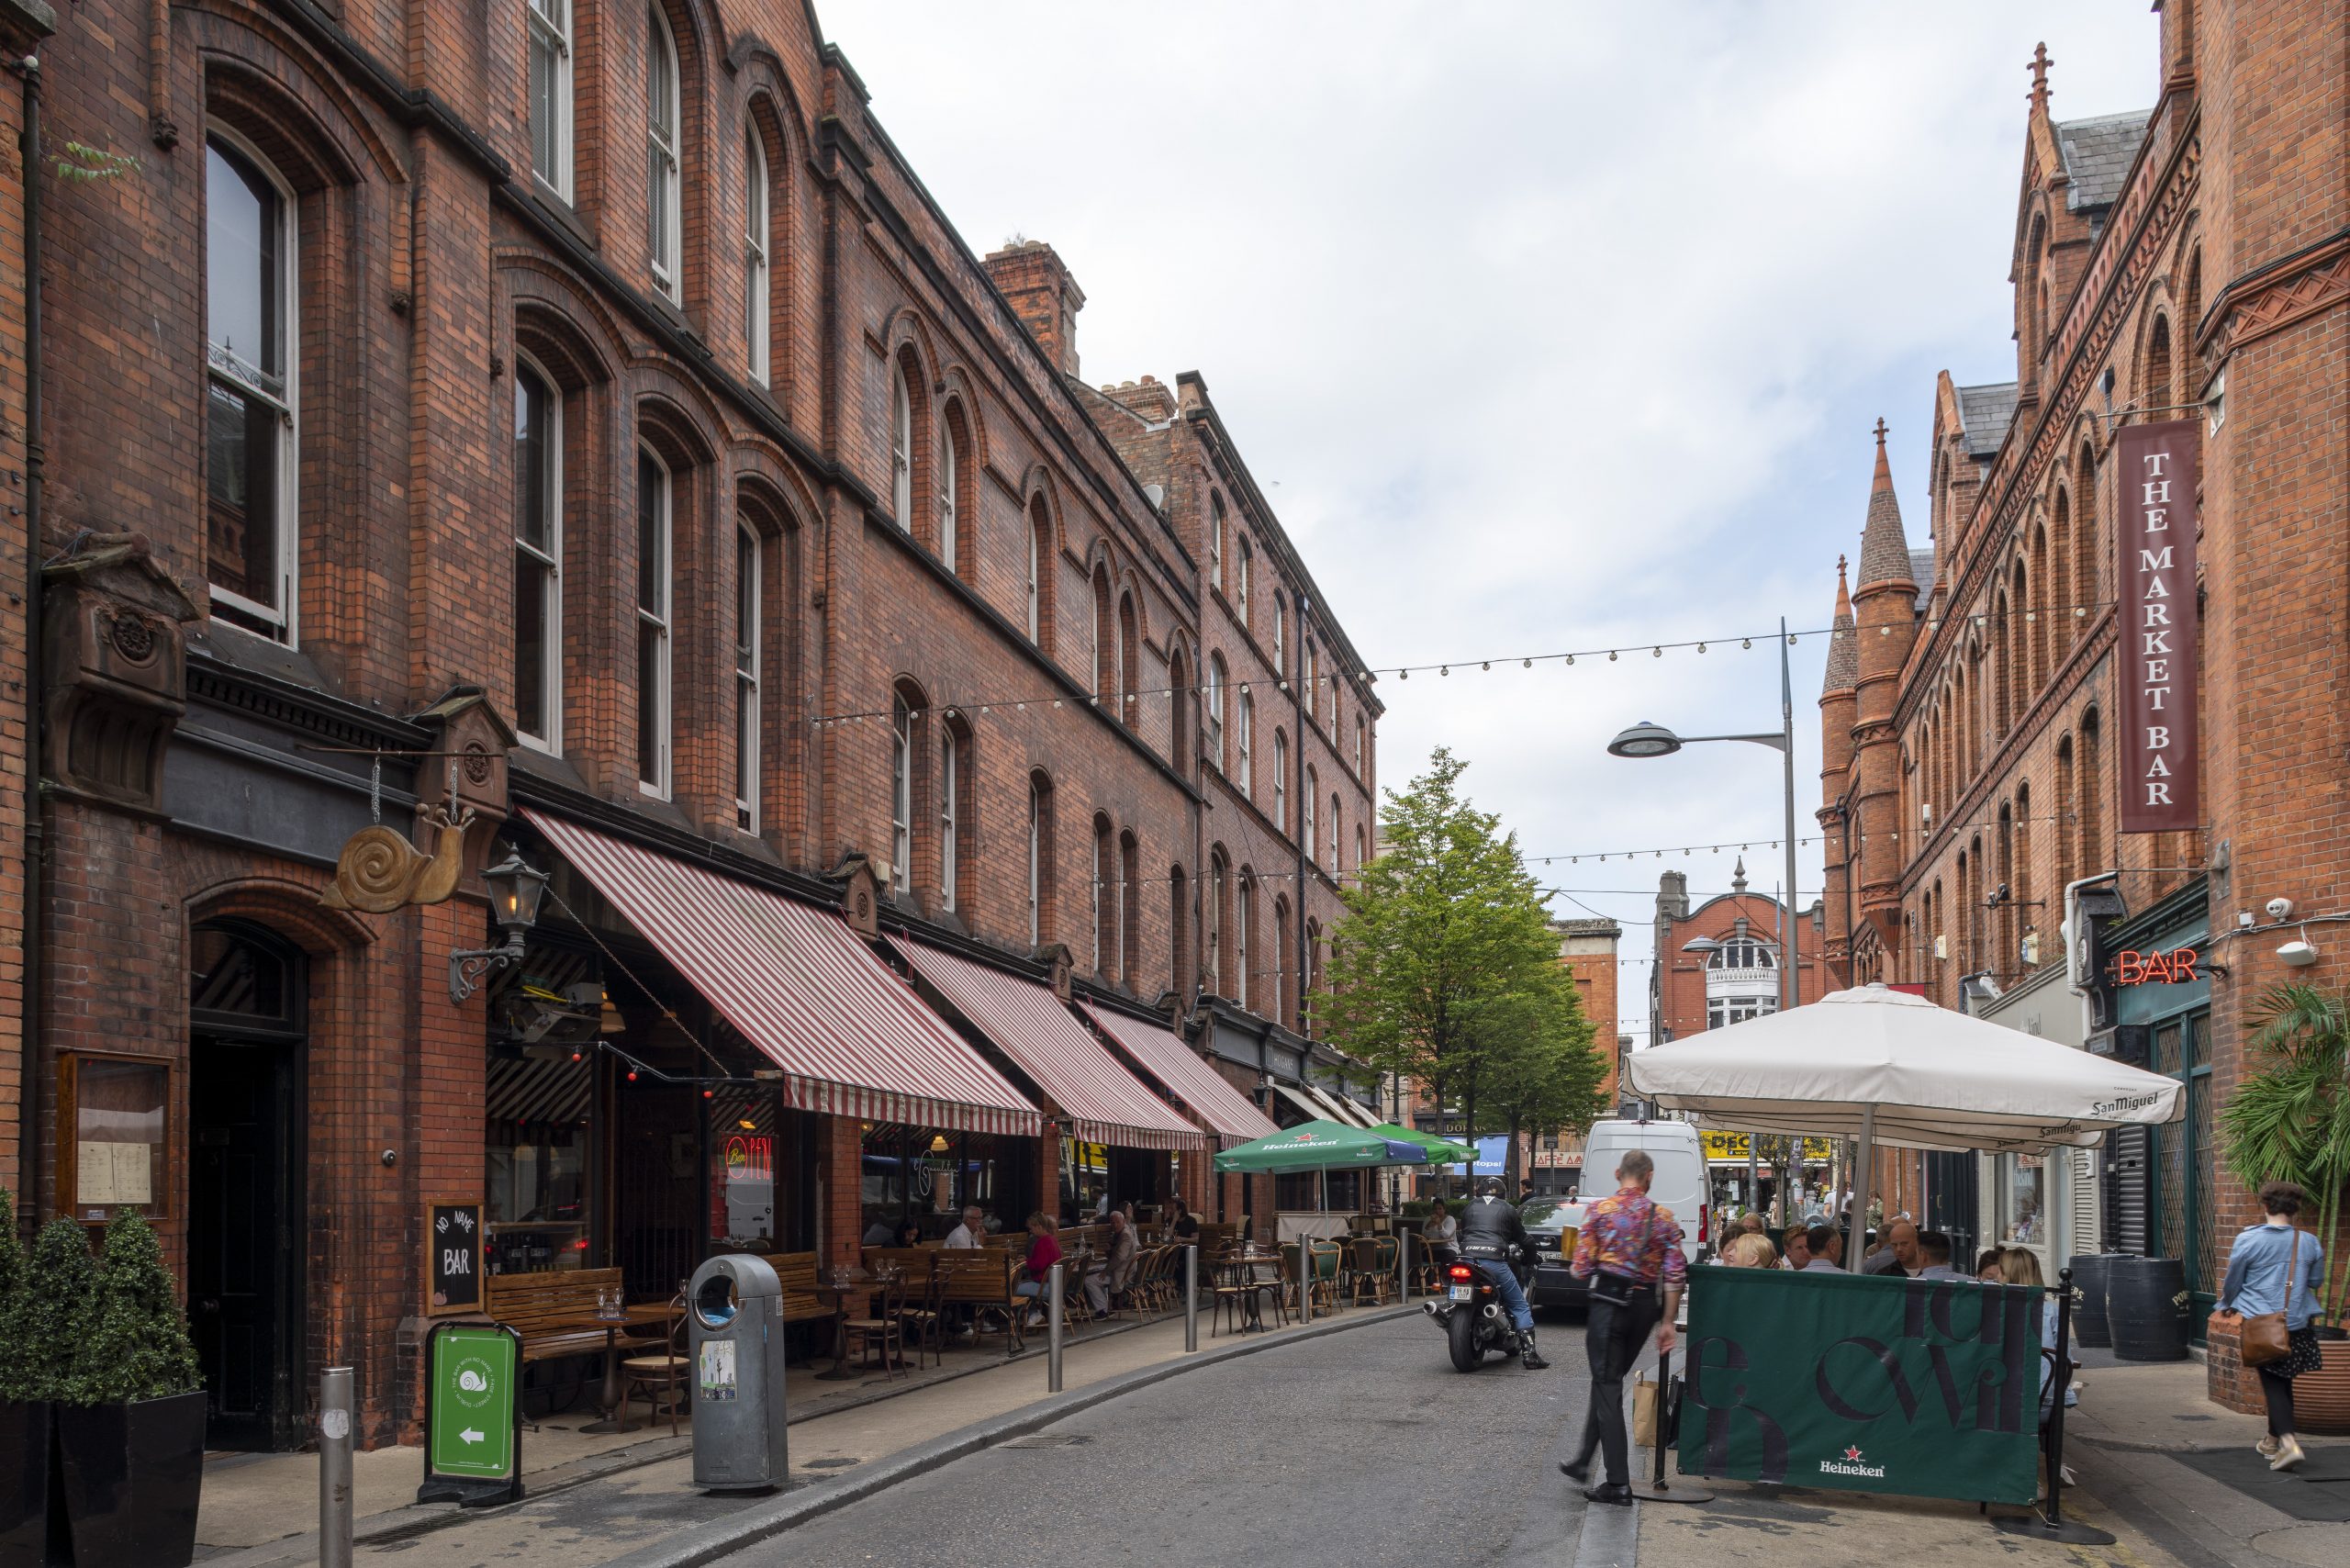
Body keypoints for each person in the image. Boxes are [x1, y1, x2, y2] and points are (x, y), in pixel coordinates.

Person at [1560, 1151, 1687, 1506]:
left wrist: (1584, 1258)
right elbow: (1675, 1274)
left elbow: (1580, 1270)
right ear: (1649, 1177)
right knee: (1609, 1381)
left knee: (1607, 1383)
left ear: (1618, 1174)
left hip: (1609, 1305)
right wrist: (1667, 1323)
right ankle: (1584, 1459)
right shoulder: (1662, 1217)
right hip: (1646, 1308)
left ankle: (1617, 1483)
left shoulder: (1600, 1211)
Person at [2219, 1180, 2327, 1473]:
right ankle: (2271, 1442)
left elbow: (2234, 1279)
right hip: (2296, 1323)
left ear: (2265, 1206)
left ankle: (2289, 1443)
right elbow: (2316, 1282)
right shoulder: (2308, 1241)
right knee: (2284, 1380)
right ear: (2296, 1209)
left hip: (2261, 1323)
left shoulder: (2248, 1240)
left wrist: (2226, 1303)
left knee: (2274, 1384)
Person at [1457, 1176, 1548, 1371]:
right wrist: (1531, 1258)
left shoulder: (1469, 1207)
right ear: (1503, 1193)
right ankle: (1530, 1355)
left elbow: (1461, 1233)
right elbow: (1524, 1239)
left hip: (1465, 1259)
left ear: (1478, 1191)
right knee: (1519, 1305)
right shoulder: (1508, 1209)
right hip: (1493, 1261)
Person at [1012, 1212, 1062, 1327]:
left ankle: (1032, 1314)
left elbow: (1039, 1265)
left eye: (1031, 1228)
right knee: (1022, 1286)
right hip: (1055, 1284)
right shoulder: (1052, 1240)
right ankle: (1033, 1313)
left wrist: (1026, 1262)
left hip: (1045, 1287)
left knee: (1012, 1288)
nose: (1030, 1231)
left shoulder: (1042, 1242)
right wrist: (1028, 1260)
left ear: (1039, 1226)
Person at [1087, 1210, 1138, 1314]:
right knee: (1091, 1275)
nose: (1114, 1225)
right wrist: (1109, 1250)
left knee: (1089, 1280)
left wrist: (1106, 1270)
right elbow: (1115, 1255)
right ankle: (1103, 1306)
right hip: (1120, 1270)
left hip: (1122, 1274)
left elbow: (1119, 1257)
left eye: (1117, 1222)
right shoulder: (1120, 1233)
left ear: (1123, 1221)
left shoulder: (1125, 1235)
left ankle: (1103, 1310)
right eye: (1112, 1222)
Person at [1422, 1196, 1460, 1262]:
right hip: (1433, 1248)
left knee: (1446, 1257)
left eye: (1440, 1209)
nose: (1437, 1211)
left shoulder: (1450, 1219)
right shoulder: (1428, 1219)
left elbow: (1446, 1236)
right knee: (1423, 1254)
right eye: (1435, 1209)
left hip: (1448, 1248)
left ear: (1444, 1209)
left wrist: (1439, 1224)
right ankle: (1431, 1272)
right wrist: (1428, 1225)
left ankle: (1440, 1272)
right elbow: (1424, 1236)